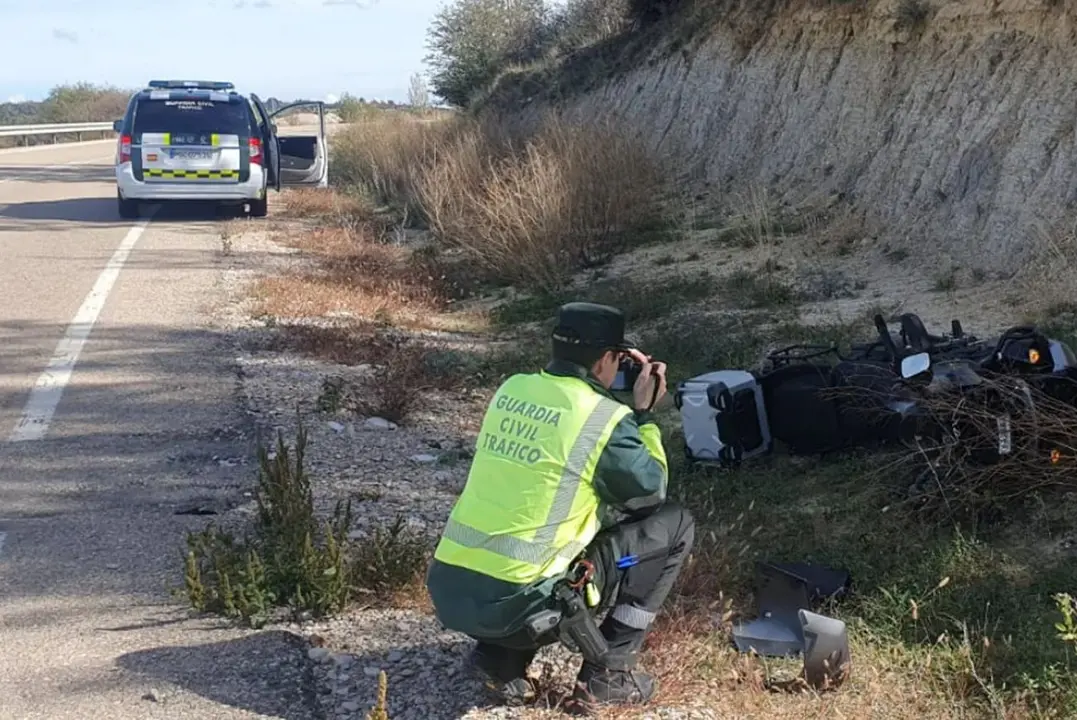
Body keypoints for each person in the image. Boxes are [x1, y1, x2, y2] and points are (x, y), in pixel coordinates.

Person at [425, 301, 696, 708]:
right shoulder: (601, 417)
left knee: (539, 530)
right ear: (608, 358)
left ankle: (498, 658)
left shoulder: (511, 389)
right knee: (675, 525)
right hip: (526, 606)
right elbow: (648, 491)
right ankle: (609, 673)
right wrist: (643, 416)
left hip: (453, 591)